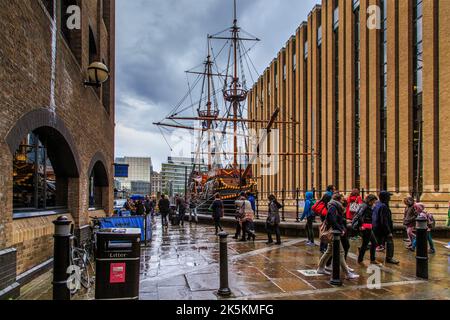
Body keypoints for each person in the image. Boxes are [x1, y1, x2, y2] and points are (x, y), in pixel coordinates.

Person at [317, 193, 359, 279]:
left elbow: (335, 219)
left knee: (329, 251)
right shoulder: (333, 207)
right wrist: (340, 229)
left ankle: (320, 268)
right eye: (342, 198)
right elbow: (332, 219)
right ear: (338, 199)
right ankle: (347, 273)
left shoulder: (335, 206)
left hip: (333, 231)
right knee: (341, 252)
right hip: (333, 232)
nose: (344, 200)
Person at [372, 191, 399, 264]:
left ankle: (363, 249)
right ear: (385, 197)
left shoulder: (377, 204)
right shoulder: (383, 206)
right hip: (382, 229)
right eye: (388, 196)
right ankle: (389, 258)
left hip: (376, 227)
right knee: (390, 242)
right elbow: (384, 220)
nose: (390, 198)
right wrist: (388, 231)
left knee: (375, 242)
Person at [354, 194, 379, 264]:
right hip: (365, 227)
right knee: (366, 244)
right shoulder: (365, 206)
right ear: (370, 200)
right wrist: (360, 226)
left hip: (368, 227)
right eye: (373, 201)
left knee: (373, 243)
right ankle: (361, 260)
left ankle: (371, 259)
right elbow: (359, 216)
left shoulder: (366, 206)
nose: (374, 203)